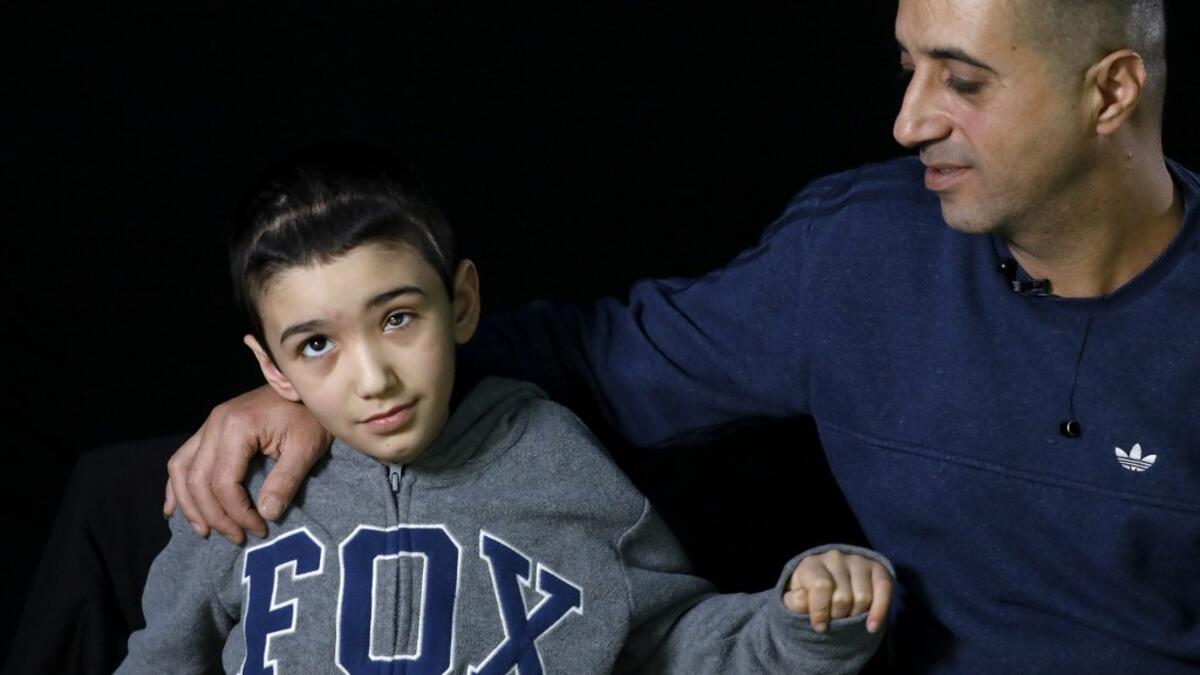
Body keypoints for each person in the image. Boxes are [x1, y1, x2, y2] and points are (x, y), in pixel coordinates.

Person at [163, 0, 1200, 672]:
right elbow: (590, 358)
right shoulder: (859, 250)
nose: (908, 121)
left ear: (1111, 91)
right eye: (906, 67)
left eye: (962, 82)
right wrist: (302, 392)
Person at [117, 149, 895, 673]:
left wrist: (808, 616)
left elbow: (674, 645)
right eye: (316, 343)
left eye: (397, 318)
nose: (373, 379)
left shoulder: (555, 458)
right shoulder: (239, 492)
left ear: (460, 302)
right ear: (270, 367)